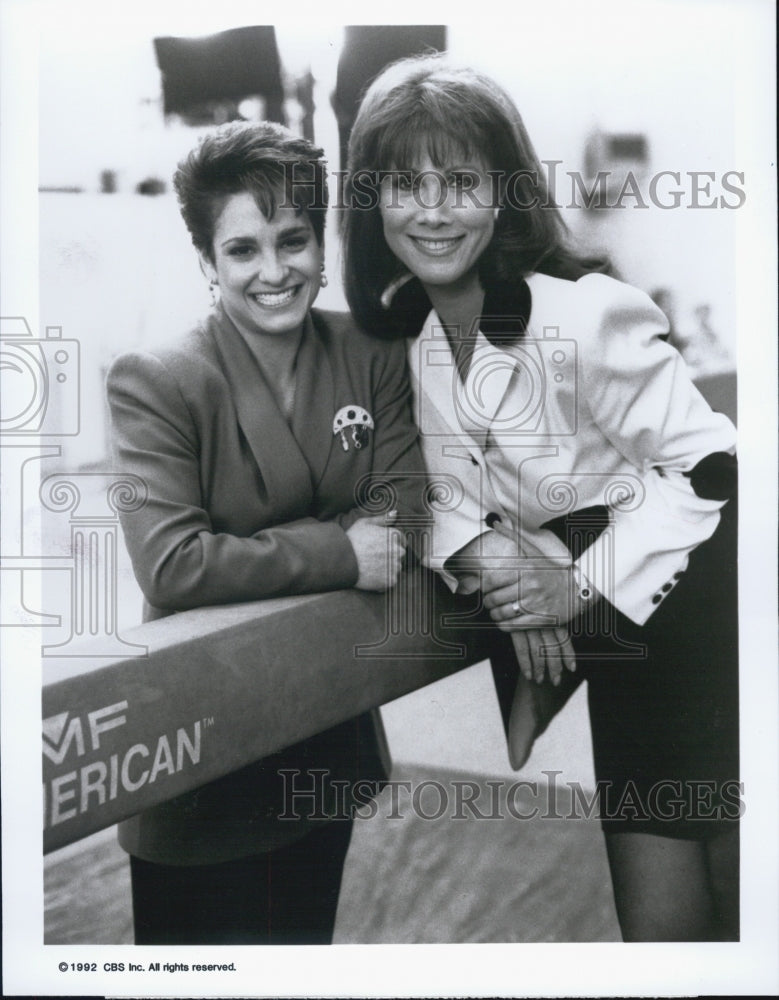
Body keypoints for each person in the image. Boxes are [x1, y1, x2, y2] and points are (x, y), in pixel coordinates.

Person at [342, 55, 739, 942]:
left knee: (724, 892)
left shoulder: (584, 313)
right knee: (658, 915)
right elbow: (430, 488)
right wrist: (491, 563)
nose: (433, 209)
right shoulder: (404, 336)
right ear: (370, 199)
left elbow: (715, 468)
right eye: (405, 184)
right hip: (596, 611)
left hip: (696, 596)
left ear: (503, 191)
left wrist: (574, 584)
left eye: (459, 180)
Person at [106, 120, 425, 944]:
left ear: (320, 243)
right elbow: (173, 566)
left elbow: (404, 507)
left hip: (325, 728)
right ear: (207, 263)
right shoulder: (157, 380)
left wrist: (325, 545)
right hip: (196, 745)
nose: (274, 271)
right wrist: (339, 549)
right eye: (242, 250)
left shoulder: (372, 350)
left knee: (300, 960)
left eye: (293, 241)